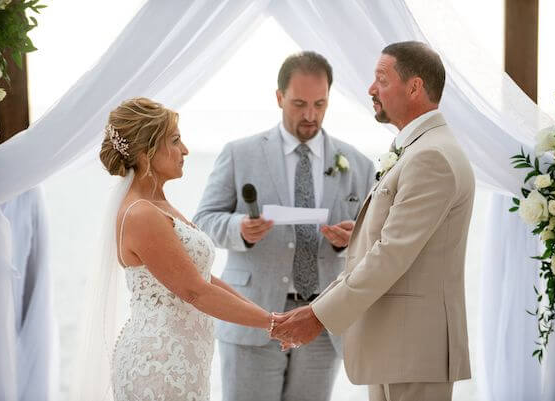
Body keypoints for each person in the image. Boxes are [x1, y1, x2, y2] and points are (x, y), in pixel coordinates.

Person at [271, 41, 476, 401]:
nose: (370, 89)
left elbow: (391, 254)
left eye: (381, 78)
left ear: (414, 87)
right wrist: (361, 233)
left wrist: (319, 314)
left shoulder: (431, 157)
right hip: (395, 348)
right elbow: (397, 241)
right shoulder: (419, 149)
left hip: (413, 349)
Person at [193, 51, 376, 401]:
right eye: (299, 104)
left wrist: (354, 238)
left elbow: (376, 241)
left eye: (320, 104)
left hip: (323, 323)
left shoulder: (359, 164)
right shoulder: (239, 153)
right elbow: (203, 220)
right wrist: (239, 230)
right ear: (279, 97)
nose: (310, 115)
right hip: (253, 316)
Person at [98, 97, 273, 401]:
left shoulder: (159, 205)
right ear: (145, 152)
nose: (186, 150)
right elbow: (196, 292)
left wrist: (268, 317)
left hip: (182, 358)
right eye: (175, 140)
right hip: (160, 364)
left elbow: (202, 278)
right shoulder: (141, 214)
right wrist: (272, 324)